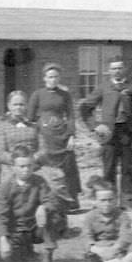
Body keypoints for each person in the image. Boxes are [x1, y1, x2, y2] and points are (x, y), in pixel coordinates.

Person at [78, 56, 132, 208]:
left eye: (119, 68)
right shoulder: (103, 88)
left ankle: (128, 201)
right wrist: (94, 126)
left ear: (125, 69)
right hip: (109, 135)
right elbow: (84, 108)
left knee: (128, 168)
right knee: (109, 169)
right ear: (109, 71)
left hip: (128, 134)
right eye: (114, 68)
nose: (117, 71)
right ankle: (110, 201)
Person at [0, 145, 66, 262]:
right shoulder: (6, 186)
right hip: (16, 230)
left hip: (36, 227)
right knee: (11, 261)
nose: (26, 170)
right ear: (13, 167)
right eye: (21, 166)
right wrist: (3, 239)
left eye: (29, 166)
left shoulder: (39, 181)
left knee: (50, 216)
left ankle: (47, 260)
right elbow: (0, 215)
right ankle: (26, 250)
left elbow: (51, 200)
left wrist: (43, 207)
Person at [27, 62, 81, 210]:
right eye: (50, 77)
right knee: (48, 166)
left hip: (62, 134)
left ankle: (70, 201)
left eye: (56, 77)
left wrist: (71, 136)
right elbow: (30, 118)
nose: (53, 80)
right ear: (44, 78)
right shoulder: (37, 94)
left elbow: (70, 116)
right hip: (45, 136)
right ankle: (50, 200)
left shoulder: (65, 95)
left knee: (68, 166)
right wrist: (38, 129)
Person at [83, 181, 132, 262]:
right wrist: (98, 250)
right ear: (95, 201)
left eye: (110, 200)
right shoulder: (90, 217)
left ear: (115, 200)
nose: (107, 204)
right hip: (100, 250)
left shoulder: (122, 215)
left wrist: (115, 248)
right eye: (102, 200)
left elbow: (126, 234)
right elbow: (86, 237)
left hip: (118, 248)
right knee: (95, 252)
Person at [0, 91, 41, 183]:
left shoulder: (34, 126)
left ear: (26, 106)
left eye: (21, 104)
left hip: (33, 165)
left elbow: (43, 149)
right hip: (11, 166)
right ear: (9, 106)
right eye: (15, 104)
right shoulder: (2, 127)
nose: (18, 107)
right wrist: (18, 161)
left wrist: (32, 159)